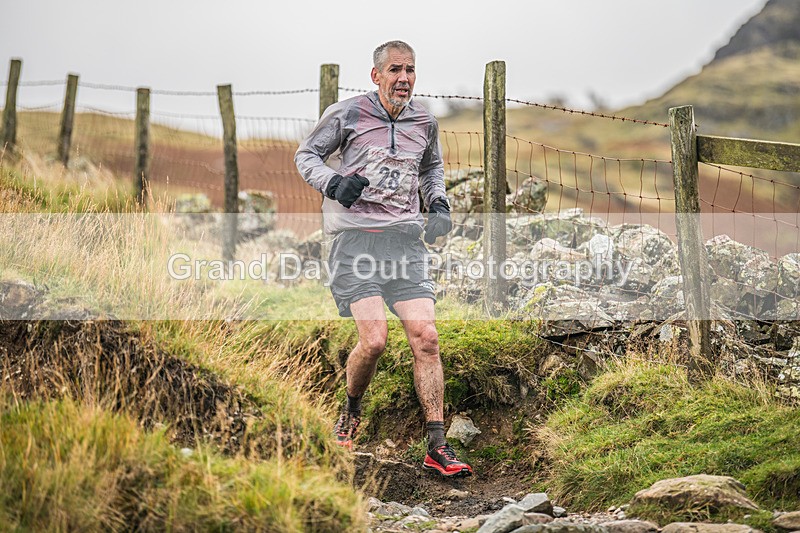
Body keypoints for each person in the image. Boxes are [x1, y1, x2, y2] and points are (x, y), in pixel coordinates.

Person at [294, 40, 472, 477]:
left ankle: (437, 445)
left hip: (405, 245)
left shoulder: (424, 121)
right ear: (376, 75)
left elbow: (430, 169)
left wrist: (438, 204)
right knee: (374, 342)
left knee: (426, 337)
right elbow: (306, 156)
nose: (404, 78)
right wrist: (335, 184)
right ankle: (350, 413)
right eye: (395, 70)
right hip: (356, 244)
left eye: (410, 70)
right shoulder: (347, 114)